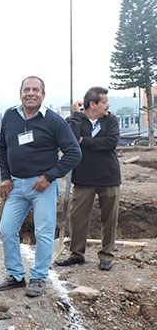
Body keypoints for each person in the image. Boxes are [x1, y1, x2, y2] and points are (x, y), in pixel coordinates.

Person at [0, 76, 81, 298]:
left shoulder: (54, 121)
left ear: (43, 94)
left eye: (35, 90)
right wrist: (5, 177)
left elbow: (74, 152)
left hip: (43, 186)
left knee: (43, 231)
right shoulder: (10, 116)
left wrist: (50, 176)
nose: (30, 93)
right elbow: (2, 148)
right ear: (20, 92)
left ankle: (39, 277)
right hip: (16, 185)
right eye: (26, 89)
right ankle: (15, 275)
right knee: (7, 228)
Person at [56, 87, 120, 271]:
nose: (108, 105)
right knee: (78, 217)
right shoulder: (75, 120)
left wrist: (84, 142)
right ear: (92, 104)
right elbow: (70, 139)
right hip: (83, 178)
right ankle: (77, 254)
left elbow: (111, 142)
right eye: (104, 102)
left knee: (110, 219)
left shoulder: (111, 120)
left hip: (109, 177)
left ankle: (106, 256)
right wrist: (76, 115)